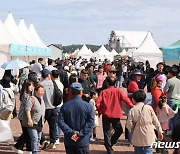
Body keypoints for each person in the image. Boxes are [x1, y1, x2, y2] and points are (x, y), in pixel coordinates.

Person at [96, 77, 134, 154]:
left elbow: (97, 103)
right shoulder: (118, 91)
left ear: (107, 83)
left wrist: (101, 110)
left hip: (106, 114)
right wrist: (133, 106)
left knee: (106, 131)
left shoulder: (104, 92)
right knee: (119, 130)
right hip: (116, 114)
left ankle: (109, 146)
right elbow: (126, 99)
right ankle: (110, 144)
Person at [59, 82, 94, 154]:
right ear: (81, 92)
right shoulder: (87, 106)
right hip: (82, 140)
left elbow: (60, 121)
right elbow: (90, 122)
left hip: (69, 140)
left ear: (71, 92)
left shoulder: (65, 106)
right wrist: (80, 133)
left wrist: (71, 132)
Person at [126, 90, 163, 154]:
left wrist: (133, 130)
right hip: (149, 134)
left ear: (134, 99)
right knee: (148, 150)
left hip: (137, 135)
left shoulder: (132, 110)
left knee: (138, 151)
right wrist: (159, 131)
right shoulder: (148, 108)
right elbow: (155, 121)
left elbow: (129, 124)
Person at [12, 80, 34, 154]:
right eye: (30, 85)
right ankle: (25, 148)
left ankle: (19, 147)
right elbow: (27, 108)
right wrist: (29, 118)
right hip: (24, 117)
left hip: (22, 116)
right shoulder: (27, 96)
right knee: (27, 133)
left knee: (26, 133)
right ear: (27, 86)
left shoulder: (25, 94)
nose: (32, 87)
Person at [26, 85, 45, 154]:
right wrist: (29, 119)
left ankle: (36, 151)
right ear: (36, 91)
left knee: (39, 139)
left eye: (43, 91)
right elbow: (27, 109)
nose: (42, 93)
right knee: (35, 138)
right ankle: (35, 152)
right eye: (40, 91)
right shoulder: (32, 99)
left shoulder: (42, 100)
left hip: (40, 123)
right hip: (33, 122)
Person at [41, 69, 57, 149]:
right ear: (48, 75)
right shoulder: (53, 83)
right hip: (53, 107)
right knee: (52, 126)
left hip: (44, 108)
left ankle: (42, 140)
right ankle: (53, 142)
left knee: (39, 125)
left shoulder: (40, 84)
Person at [164, 66, 180, 132]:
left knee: (170, 116)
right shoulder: (179, 81)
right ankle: (176, 130)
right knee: (176, 115)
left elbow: (165, 91)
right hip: (178, 99)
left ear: (171, 73)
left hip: (171, 100)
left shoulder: (169, 81)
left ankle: (171, 130)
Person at [51, 70, 64, 145]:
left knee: (55, 122)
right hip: (60, 104)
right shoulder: (60, 84)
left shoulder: (52, 84)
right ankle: (57, 137)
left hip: (54, 104)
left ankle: (56, 137)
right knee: (58, 122)